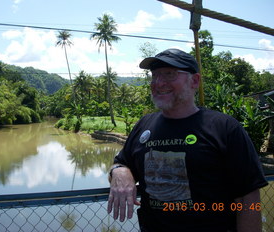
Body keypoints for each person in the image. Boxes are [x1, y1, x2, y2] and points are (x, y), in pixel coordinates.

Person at [107, 48, 268, 232]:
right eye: (155, 76)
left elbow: (248, 198)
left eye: (169, 74)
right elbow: (120, 163)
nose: (158, 83)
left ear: (195, 81)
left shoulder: (225, 127)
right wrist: (119, 171)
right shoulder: (144, 125)